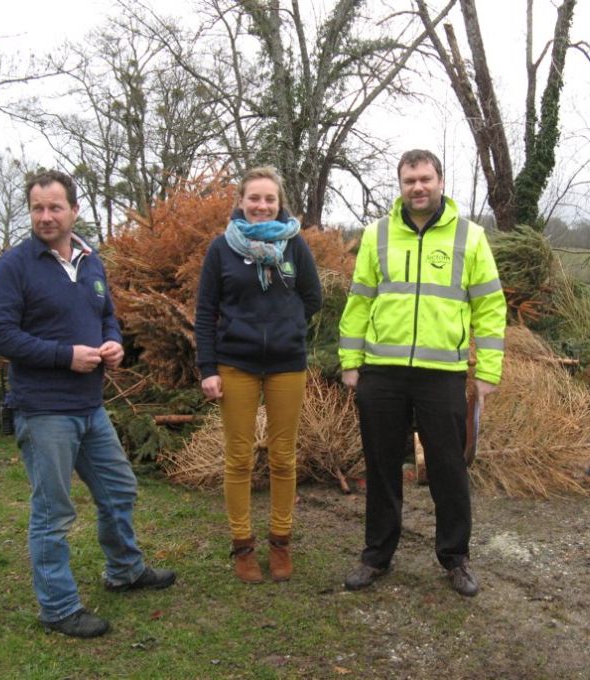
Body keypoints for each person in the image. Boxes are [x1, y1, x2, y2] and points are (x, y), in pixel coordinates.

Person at [0, 170, 176, 639]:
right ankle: (59, 608)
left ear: (73, 210)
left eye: (54, 207)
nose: (45, 217)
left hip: (90, 407)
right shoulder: (15, 266)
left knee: (119, 490)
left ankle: (124, 570)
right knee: (53, 512)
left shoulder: (91, 260)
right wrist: (66, 356)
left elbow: (106, 314)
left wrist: (113, 344)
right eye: (37, 208)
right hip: (44, 410)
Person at [338, 149, 506, 597]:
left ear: (441, 181)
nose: (418, 187)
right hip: (382, 374)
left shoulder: (470, 238)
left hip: (442, 375)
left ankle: (455, 558)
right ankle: (376, 555)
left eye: (426, 178)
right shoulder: (376, 235)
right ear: (401, 184)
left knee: (450, 469)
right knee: (381, 465)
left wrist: (487, 371)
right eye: (410, 179)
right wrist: (351, 362)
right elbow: (359, 301)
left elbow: (490, 307)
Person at [194, 166, 322, 584]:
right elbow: (205, 312)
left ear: (279, 202)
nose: (262, 206)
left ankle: (281, 543)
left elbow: (312, 297)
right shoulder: (221, 250)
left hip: (287, 364)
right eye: (254, 198)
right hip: (236, 365)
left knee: (284, 458)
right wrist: (208, 367)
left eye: (269, 199)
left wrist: (286, 325)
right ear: (241, 202)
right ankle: (243, 547)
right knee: (239, 458)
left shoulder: (294, 246)